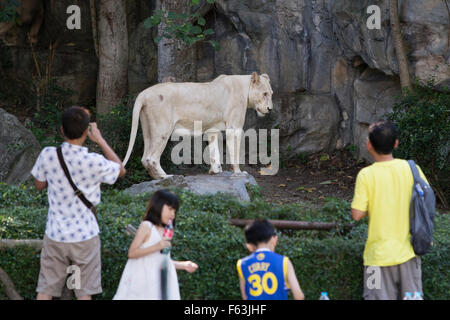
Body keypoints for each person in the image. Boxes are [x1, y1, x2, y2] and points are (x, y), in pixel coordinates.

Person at [31, 106, 126, 300]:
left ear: (61, 130)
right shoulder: (93, 161)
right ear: (86, 132)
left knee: (46, 290)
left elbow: (39, 184)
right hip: (85, 235)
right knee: (84, 292)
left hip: (55, 233)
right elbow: (120, 170)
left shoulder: (48, 154)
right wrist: (99, 139)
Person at [351, 120, 428, 300]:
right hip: (409, 255)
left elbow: (356, 214)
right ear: (396, 143)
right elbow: (425, 199)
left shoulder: (366, 175)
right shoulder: (412, 169)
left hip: (375, 260)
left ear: (369, 145)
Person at [113, 189, 198, 300]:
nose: (173, 214)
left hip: (158, 283)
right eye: (170, 209)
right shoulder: (147, 226)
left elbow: (160, 259)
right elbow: (132, 253)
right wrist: (157, 246)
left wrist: (183, 265)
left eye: (175, 211)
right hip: (142, 280)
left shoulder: (166, 230)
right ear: (158, 206)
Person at [236, 219, 305, 300]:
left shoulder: (241, 264)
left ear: (249, 246)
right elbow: (299, 296)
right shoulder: (284, 262)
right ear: (274, 239)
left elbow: (245, 297)